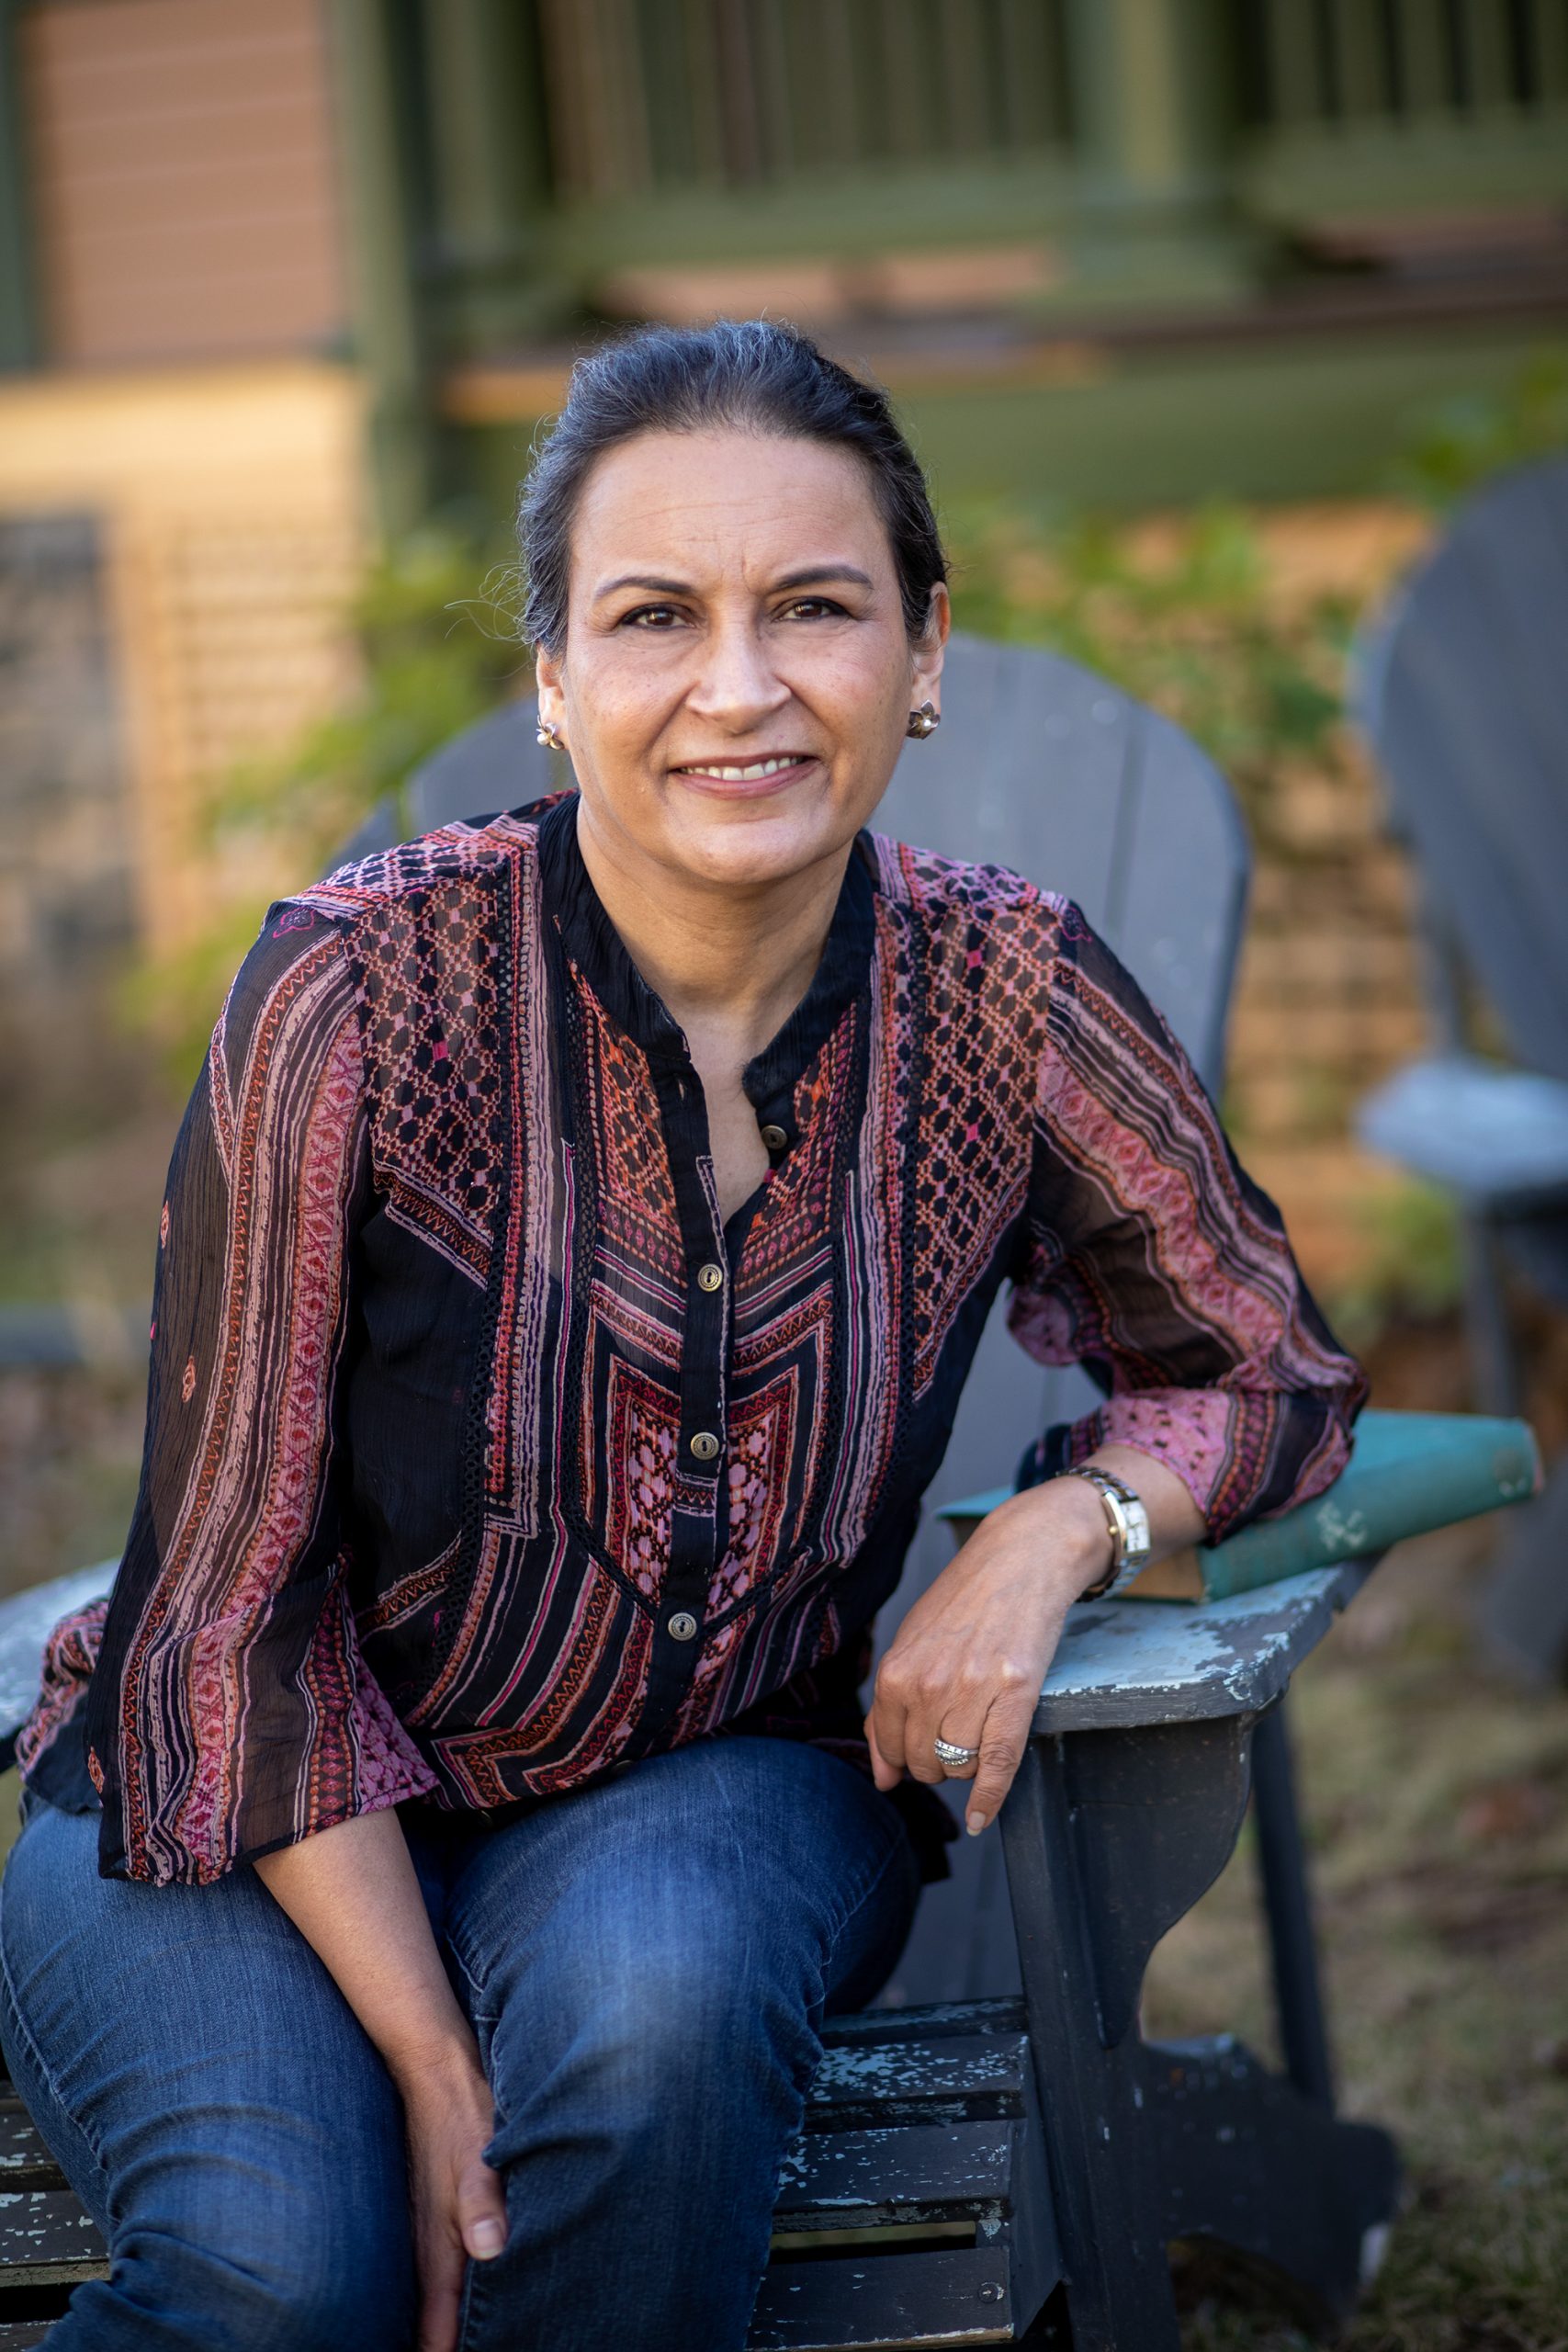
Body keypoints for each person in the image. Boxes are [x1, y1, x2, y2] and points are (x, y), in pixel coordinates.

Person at [0, 320, 1365, 2352]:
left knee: (643, 2035)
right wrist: (437, 2071)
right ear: (554, 680)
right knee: (290, 2279)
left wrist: (1046, 1530)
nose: (739, 687)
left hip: (711, 1775)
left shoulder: (1003, 989)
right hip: (227, 1810)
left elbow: (1261, 1360)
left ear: (918, 653)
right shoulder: (352, 993)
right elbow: (226, 1612)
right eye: (655, 617)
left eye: (813, 606)